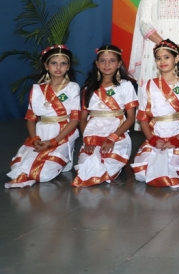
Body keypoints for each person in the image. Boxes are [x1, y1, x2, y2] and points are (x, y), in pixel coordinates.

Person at [6, 45, 80, 188]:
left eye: (63, 63)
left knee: (43, 174)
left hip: (63, 133)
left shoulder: (72, 88)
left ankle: (63, 156)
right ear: (46, 66)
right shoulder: (37, 89)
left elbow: (75, 119)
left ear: (68, 67)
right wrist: (34, 139)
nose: (58, 67)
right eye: (54, 63)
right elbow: (30, 119)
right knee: (17, 169)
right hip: (41, 132)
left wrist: (53, 141)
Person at [72, 45, 138, 187]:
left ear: (119, 64)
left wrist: (112, 138)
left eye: (112, 60)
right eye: (103, 61)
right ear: (97, 64)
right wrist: (88, 141)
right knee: (85, 168)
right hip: (92, 133)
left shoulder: (126, 85)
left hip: (117, 134)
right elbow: (83, 118)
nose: (107, 64)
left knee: (105, 168)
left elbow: (131, 118)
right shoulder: (88, 87)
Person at [131, 40, 179, 188]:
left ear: (176, 58)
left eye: (166, 57)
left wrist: (177, 139)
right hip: (156, 135)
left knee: (172, 168)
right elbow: (143, 118)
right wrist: (152, 139)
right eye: (158, 58)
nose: (162, 61)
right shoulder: (148, 85)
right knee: (141, 172)